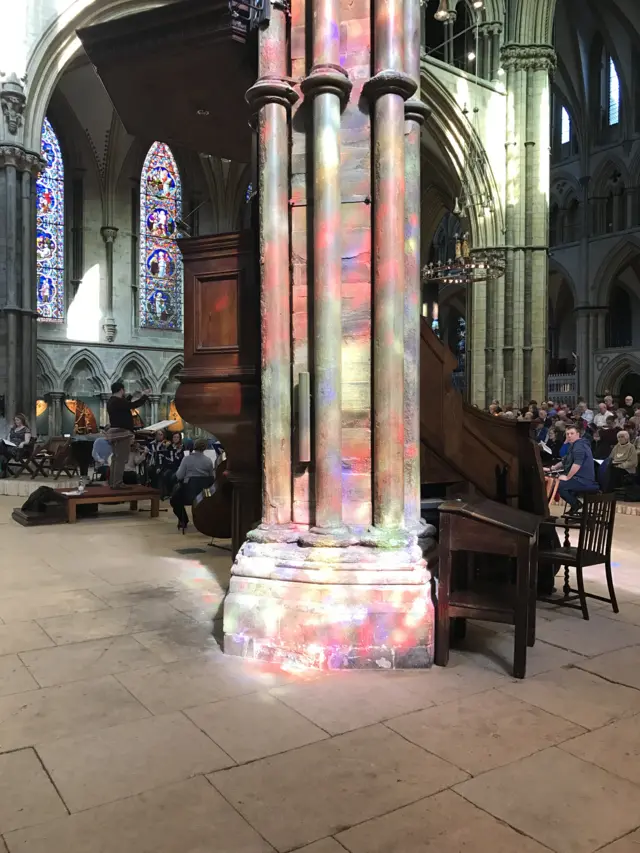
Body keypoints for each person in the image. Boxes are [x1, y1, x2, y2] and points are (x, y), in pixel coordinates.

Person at [545, 425, 599, 516]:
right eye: (567, 434)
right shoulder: (574, 445)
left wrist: (567, 477)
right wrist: (552, 468)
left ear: (578, 434)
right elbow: (564, 460)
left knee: (558, 485)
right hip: (577, 477)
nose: (569, 436)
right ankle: (574, 504)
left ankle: (575, 504)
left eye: (572, 433)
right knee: (556, 482)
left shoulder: (580, 445)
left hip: (583, 479)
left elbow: (577, 464)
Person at [106, 381, 151, 489]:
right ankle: (118, 483)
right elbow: (133, 405)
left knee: (116, 459)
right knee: (121, 459)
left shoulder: (112, 401)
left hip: (115, 433)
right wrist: (145, 396)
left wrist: (132, 395)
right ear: (121, 390)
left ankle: (113, 482)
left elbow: (125, 404)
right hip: (122, 434)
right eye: (124, 391)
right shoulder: (117, 401)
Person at [170, 437, 215, 531]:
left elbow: (179, 476)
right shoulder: (208, 461)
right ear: (205, 448)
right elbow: (211, 477)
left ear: (194, 446)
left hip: (188, 494)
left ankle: (184, 520)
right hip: (203, 495)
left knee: (174, 500)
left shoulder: (187, 459)